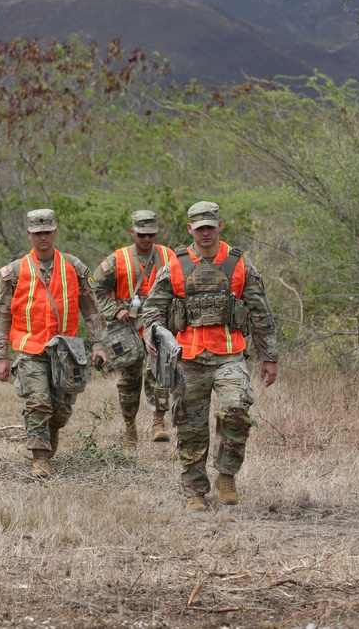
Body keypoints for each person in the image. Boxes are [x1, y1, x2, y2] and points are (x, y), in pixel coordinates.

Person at [142, 201, 279, 511]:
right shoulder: (175, 264)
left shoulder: (239, 263)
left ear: (220, 226)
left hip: (229, 354)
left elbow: (260, 311)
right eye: (199, 227)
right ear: (190, 228)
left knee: (236, 409)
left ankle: (226, 473)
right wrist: (152, 332)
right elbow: (153, 307)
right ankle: (194, 490)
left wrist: (269, 356)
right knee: (191, 427)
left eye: (210, 226)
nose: (205, 232)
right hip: (188, 357)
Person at [0, 209, 108, 478]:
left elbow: (90, 308)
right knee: (38, 403)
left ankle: (51, 430)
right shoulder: (14, 272)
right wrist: (2, 356)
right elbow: (2, 314)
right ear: (29, 235)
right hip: (30, 347)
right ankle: (40, 458)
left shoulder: (74, 267)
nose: (43, 237)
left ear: (54, 232)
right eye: (37, 233)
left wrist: (99, 344)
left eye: (47, 232)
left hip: (65, 349)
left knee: (61, 409)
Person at [93, 210, 181, 450]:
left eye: (151, 234)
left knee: (160, 374)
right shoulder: (116, 259)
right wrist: (114, 310)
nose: (146, 239)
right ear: (132, 232)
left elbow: (180, 287)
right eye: (141, 234)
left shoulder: (168, 255)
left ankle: (158, 422)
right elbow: (97, 288)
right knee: (129, 380)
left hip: (159, 325)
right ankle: (130, 428)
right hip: (127, 328)